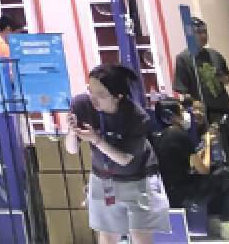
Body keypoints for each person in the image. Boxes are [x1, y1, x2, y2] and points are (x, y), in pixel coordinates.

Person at [71, 62, 171, 244]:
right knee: (108, 236)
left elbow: (124, 159)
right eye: (90, 91)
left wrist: (96, 140)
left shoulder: (136, 116)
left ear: (118, 96)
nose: (93, 99)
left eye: (101, 95)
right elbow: (71, 149)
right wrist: (71, 131)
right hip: (104, 180)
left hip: (139, 180)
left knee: (140, 236)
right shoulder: (82, 105)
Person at [173, 17, 223, 102]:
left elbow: (227, 79)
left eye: (205, 32)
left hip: (224, 105)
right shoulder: (183, 58)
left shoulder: (214, 54)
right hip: (203, 107)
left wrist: (220, 76)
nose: (203, 35)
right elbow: (183, 90)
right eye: (199, 32)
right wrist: (194, 104)